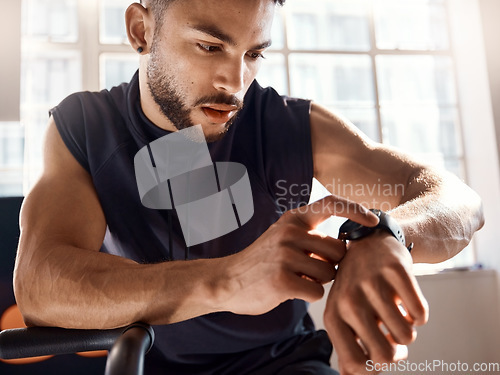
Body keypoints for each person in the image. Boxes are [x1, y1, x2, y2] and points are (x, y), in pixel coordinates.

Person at [13, 0, 484, 374]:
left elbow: (460, 201)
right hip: (148, 360)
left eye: (253, 53)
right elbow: (41, 288)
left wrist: (388, 235)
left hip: (284, 362)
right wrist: (230, 279)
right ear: (141, 30)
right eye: (209, 46)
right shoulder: (85, 127)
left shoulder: (284, 124)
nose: (234, 83)